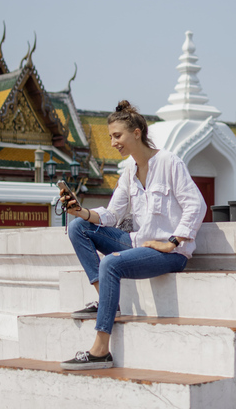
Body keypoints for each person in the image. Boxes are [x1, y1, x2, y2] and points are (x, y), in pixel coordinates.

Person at [58, 100, 207, 370]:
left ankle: (101, 349)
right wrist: (81, 212)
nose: (113, 142)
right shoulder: (128, 171)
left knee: (110, 262)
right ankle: (106, 298)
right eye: (111, 136)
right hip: (138, 243)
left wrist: (172, 241)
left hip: (170, 254)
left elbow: (196, 205)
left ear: (136, 133)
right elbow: (113, 215)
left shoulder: (169, 162)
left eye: (118, 136)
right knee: (78, 228)